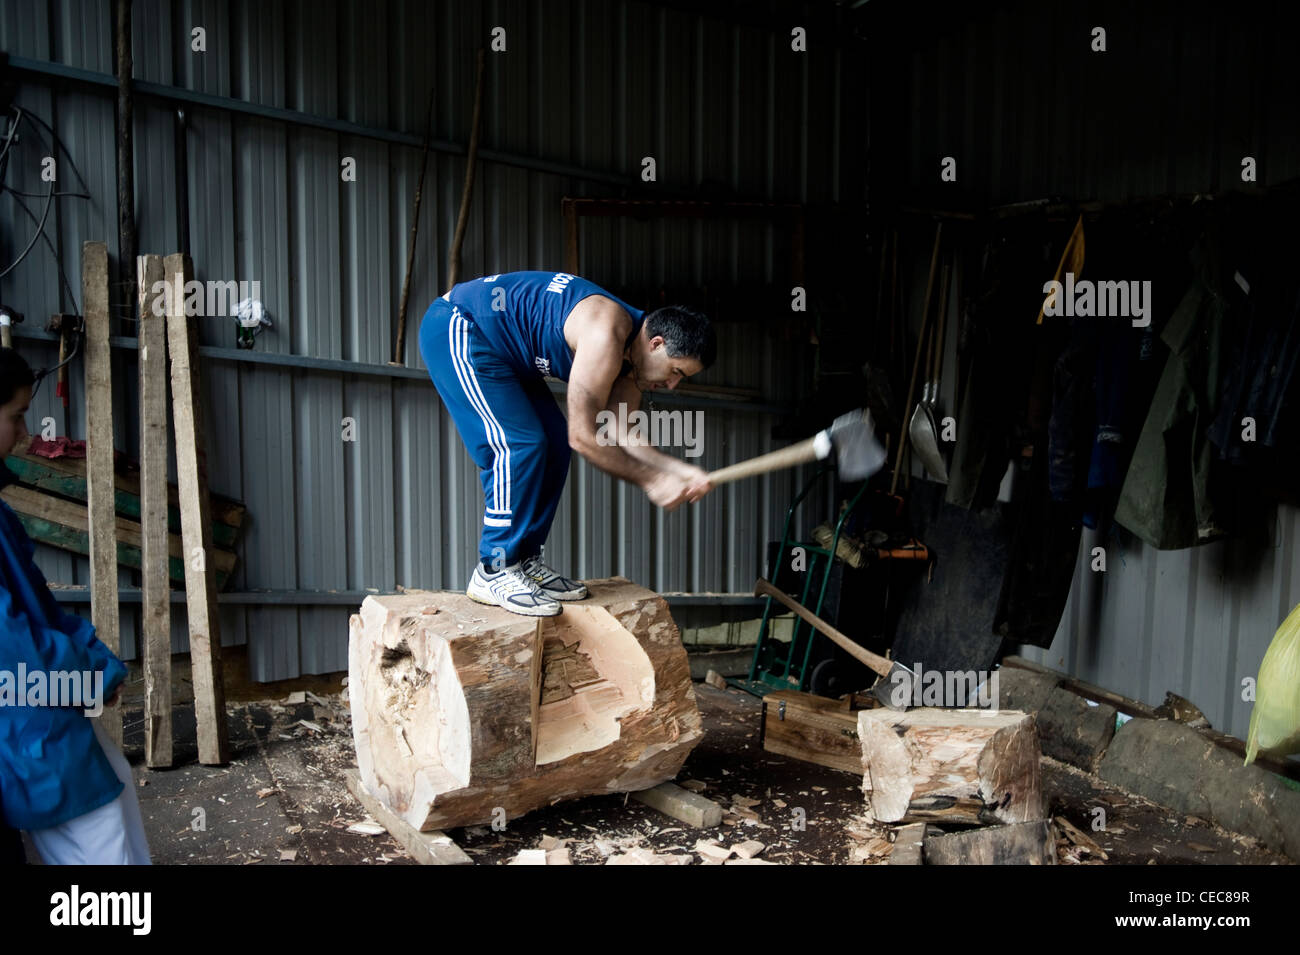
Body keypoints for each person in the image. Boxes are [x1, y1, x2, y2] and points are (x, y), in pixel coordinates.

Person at [419, 271, 716, 616]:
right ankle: (494, 568)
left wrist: (678, 470)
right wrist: (652, 481)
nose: (673, 384)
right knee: (518, 444)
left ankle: (523, 560)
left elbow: (622, 432)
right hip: (459, 325)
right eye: (676, 371)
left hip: (509, 356)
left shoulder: (633, 362)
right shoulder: (606, 335)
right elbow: (584, 436)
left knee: (554, 444)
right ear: (657, 343)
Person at [0, 348, 151, 864]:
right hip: (21, 717)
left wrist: (100, 665)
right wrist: (88, 677)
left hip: (37, 706)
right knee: (99, 831)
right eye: (16, 416)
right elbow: (14, 646)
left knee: (117, 788)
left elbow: (40, 607)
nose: (24, 432)